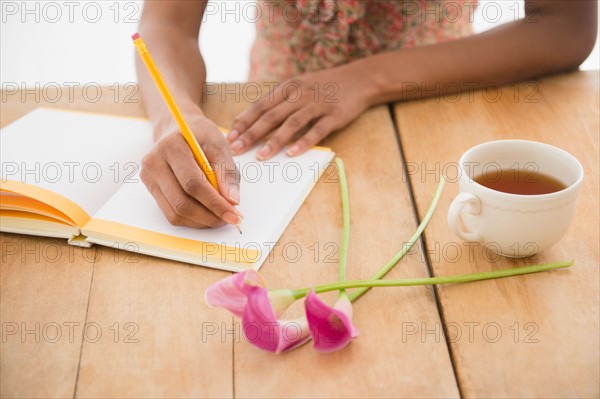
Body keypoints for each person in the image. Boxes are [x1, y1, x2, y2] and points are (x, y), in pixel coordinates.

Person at [135, 0, 597, 229]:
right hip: (271, 125)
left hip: (441, 105)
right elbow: (168, 23)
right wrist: (174, 117)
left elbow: (564, 26)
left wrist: (366, 79)